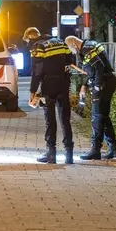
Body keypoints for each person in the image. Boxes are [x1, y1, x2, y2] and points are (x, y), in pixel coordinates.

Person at [24, 27, 75, 164]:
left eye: (27, 41)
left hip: (48, 85)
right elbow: (70, 60)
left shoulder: (38, 47)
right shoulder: (60, 42)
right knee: (65, 119)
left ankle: (51, 154)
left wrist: (32, 92)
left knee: (50, 119)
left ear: (31, 37)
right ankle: (69, 154)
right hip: (63, 83)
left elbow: (37, 71)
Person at [64, 36, 116, 160]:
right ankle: (114, 149)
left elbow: (99, 68)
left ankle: (95, 150)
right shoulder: (90, 45)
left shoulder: (87, 49)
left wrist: (96, 86)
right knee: (103, 117)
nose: (72, 52)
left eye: (70, 49)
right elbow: (91, 71)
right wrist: (85, 86)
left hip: (104, 84)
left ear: (74, 44)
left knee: (97, 118)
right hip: (107, 82)